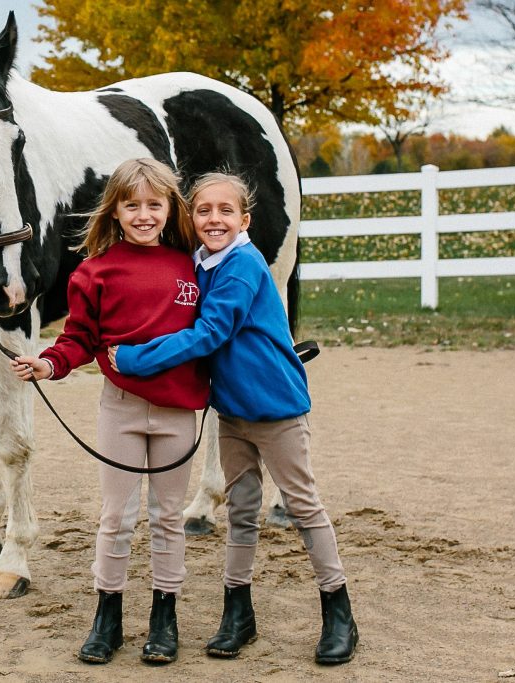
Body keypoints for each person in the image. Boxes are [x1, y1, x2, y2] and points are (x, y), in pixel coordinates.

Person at [109, 172, 359, 664]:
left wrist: (135, 359)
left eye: (226, 211)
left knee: (304, 506)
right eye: (203, 211)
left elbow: (210, 333)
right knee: (241, 511)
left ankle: (339, 612)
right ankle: (238, 613)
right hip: (233, 413)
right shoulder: (201, 265)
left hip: (276, 410)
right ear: (192, 217)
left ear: (244, 220)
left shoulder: (242, 265)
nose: (214, 219)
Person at [11, 158, 208, 665]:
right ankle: (108, 616)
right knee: (116, 518)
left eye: (154, 205)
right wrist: (51, 364)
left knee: (167, 518)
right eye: (132, 205)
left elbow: (218, 330)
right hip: (119, 408)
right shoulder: (93, 272)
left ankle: (165, 616)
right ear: (115, 211)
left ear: (170, 209)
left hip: (180, 412)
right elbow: (80, 338)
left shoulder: (193, 266)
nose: (144, 215)